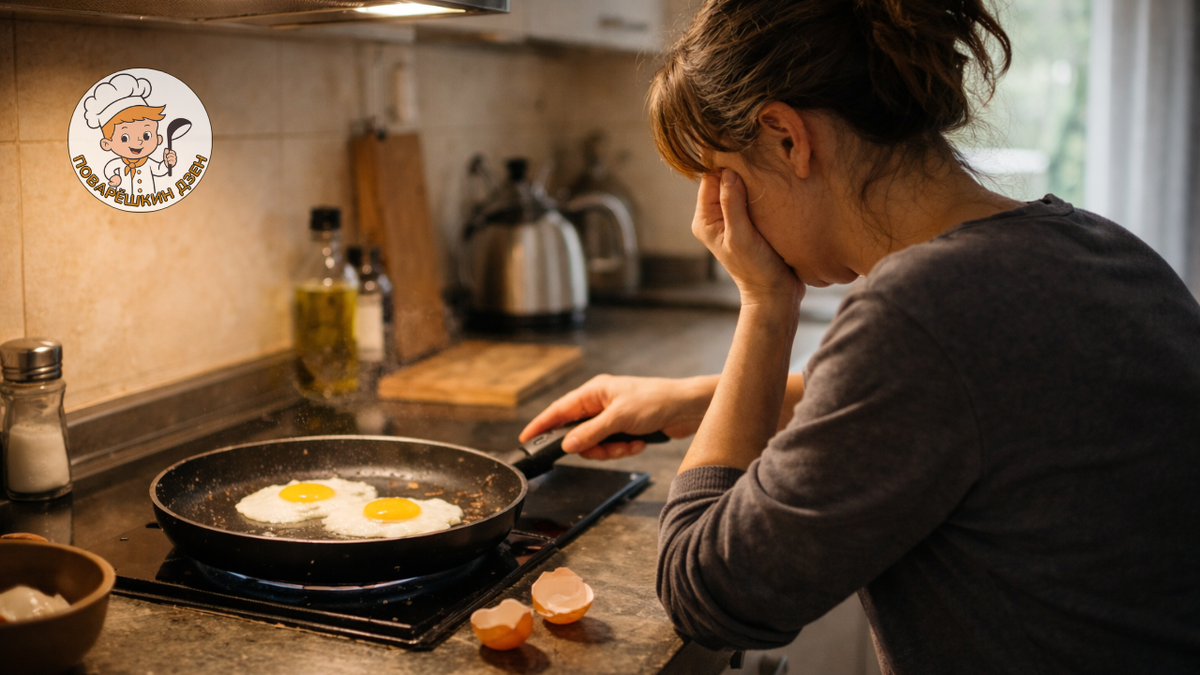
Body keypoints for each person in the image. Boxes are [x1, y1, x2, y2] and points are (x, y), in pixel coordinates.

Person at [520, 1, 1200, 673]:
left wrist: (764, 304)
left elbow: (706, 592)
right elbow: (954, 407)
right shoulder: (1104, 248)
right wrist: (701, 397)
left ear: (787, 137)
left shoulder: (920, 311)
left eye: (720, 180)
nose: (717, 219)